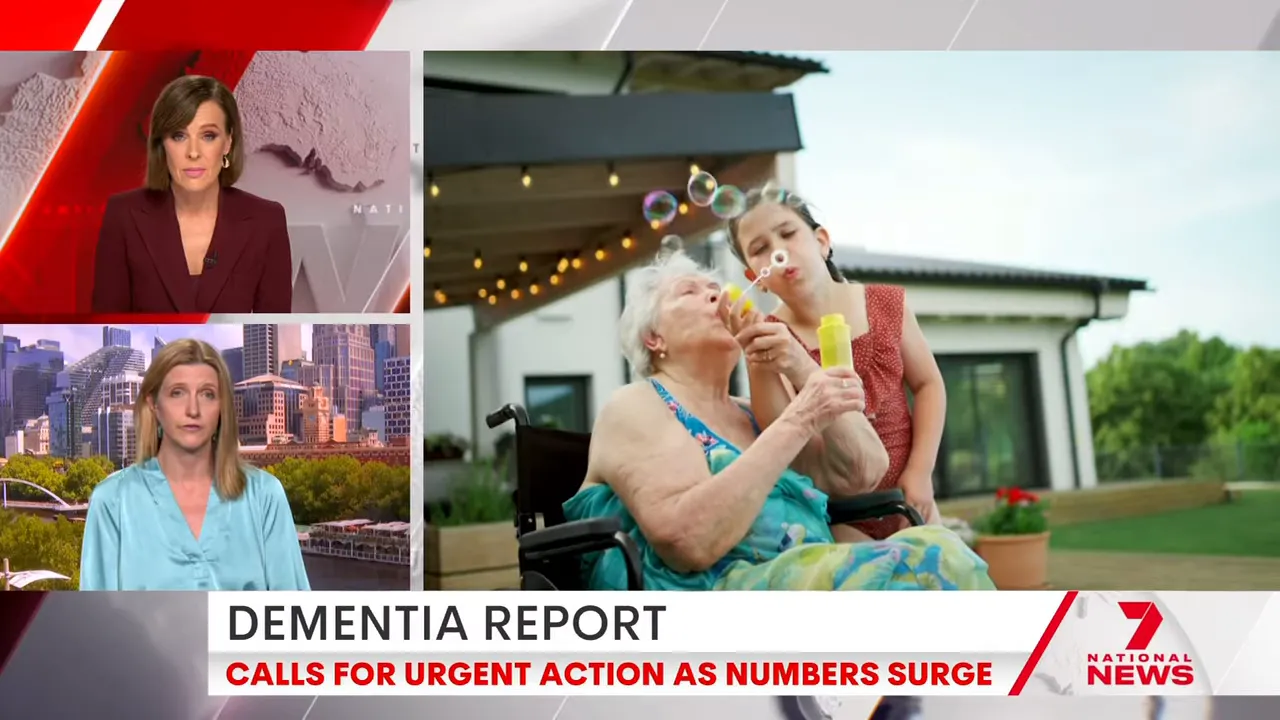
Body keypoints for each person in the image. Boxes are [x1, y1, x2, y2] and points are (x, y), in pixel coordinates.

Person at [562, 249, 992, 592]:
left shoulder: (754, 413)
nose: (717, 294)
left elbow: (865, 471)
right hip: (720, 604)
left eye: (715, 286)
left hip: (809, 580)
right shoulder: (636, 404)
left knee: (939, 546)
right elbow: (687, 542)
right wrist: (801, 416)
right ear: (652, 338)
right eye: (689, 292)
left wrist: (800, 367)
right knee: (931, 568)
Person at [726, 187, 946, 542]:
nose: (778, 251)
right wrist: (758, 356)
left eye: (787, 234)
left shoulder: (885, 302)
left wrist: (921, 472)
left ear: (822, 241)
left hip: (911, 499)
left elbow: (929, 386)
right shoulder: (773, 336)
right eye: (760, 248)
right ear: (756, 278)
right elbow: (783, 433)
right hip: (838, 517)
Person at [80, 338, 310, 591]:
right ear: (153, 405)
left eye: (207, 394)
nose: (193, 409)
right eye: (177, 393)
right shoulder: (112, 501)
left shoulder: (264, 495)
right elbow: (98, 623)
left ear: (222, 407)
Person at [91, 75, 292, 314]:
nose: (193, 152)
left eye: (208, 136)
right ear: (162, 144)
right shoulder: (124, 214)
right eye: (179, 135)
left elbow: (274, 322)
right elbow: (107, 318)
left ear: (228, 142)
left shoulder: (266, 221)